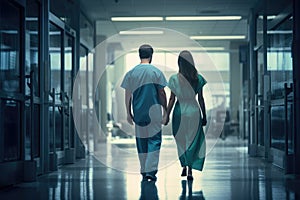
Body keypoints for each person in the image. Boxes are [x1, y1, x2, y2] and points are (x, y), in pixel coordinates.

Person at [121, 44, 168, 181]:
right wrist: (165, 110)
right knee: (154, 141)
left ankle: (143, 168)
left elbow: (128, 95)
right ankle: (150, 171)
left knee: (141, 142)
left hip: (139, 113)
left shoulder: (131, 73)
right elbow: (161, 93)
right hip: (154, 114)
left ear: (139, 55)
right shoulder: (156, 72)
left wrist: (128, 113)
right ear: (151, 55)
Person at [163, 50, 207, 180]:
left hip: (179, 111)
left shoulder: (174, 79)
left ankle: (184, 164)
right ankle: (189, 169)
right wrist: (204, 116)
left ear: (179, 63)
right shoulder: (198, 78)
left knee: (181, 140)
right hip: (193, 111)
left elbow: (172, 99)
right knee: (192, 140)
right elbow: (201, 99)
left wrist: (166, 114)